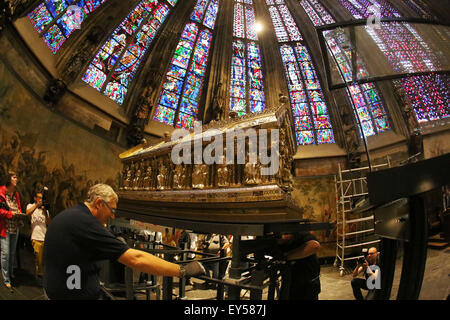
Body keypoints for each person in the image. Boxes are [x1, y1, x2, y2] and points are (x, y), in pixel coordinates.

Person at [43, 184, 205, 300]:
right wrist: (182, 270)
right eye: (112, 210)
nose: (113, 216)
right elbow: (135, 258)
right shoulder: (85, 223)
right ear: (99, 203)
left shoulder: (73, 215)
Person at [277, 231, 321, 300]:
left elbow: (314, 246)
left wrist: (285, 257)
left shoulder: (301, 233)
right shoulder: (279, 237)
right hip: (290, 283)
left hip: (307, 285)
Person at [0, 171, 23, 289]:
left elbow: (18, 207)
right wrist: (10, 214)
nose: (16, 179)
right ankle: (6, 278)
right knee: (5, 253)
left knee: (12, 252)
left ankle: (10, 272)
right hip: (4, 227)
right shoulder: (1, 192)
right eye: (14, 177)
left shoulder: (16, 194)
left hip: (14, 226)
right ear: (9, 179)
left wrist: (19, 213)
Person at [26, 190, 51, 283]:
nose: (41, 199)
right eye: (39, 197)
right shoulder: (30, 206)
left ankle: (43, 274)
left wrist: (45, 211)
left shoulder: (45, 209)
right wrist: (37, 205)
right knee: (38, 258)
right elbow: (27, 213)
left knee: (44, 258)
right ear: (35, 198)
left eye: (42, 198)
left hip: (45, 236)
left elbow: (49, 222)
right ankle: (39, 275)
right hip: (36, 236)